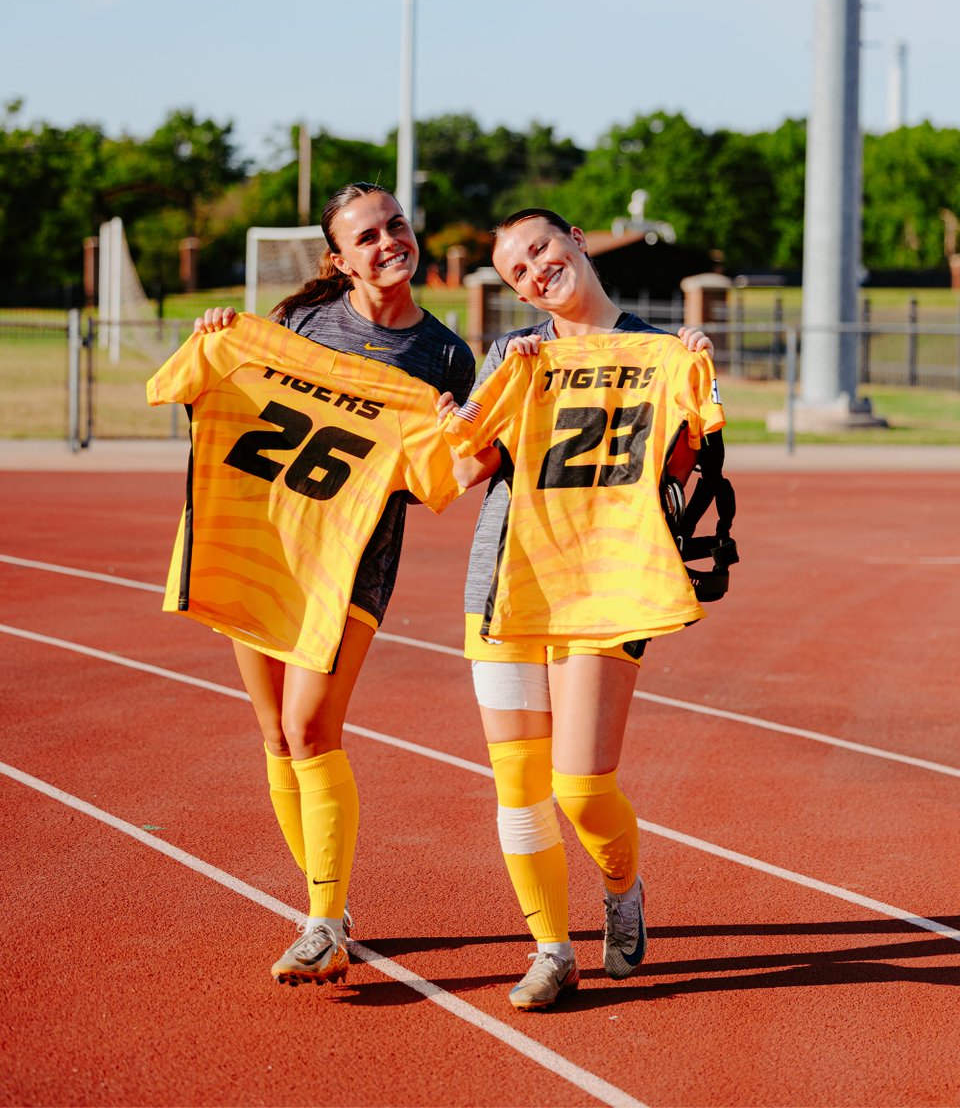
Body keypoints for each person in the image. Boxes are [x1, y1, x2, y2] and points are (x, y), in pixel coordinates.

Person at [184, 182, 477, 988]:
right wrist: (217, 341)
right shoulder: (297, 325)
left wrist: (455, 435)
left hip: (354, 564)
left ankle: (321, 922)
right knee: (276, 733)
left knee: (313, 729)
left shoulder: (446, 354)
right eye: (368, 235)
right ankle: (330, 908)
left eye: (396, 226)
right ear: (338, 258)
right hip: (267, 547)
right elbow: (224, 411)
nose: (389, 242)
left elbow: (435, 482)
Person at [438, 208, 720, 1011]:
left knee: (581, 786)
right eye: (517, 270)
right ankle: (550, 950)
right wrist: (497, 386)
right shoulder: (512, 354)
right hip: (506, 583)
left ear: (577, 243)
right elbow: (464, 471)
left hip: (611, 581)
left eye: (541, 250)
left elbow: (683, 467)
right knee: (519, 788)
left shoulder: (663, 351)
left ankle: (622, 884)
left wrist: (696, 373)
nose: (535, 271)